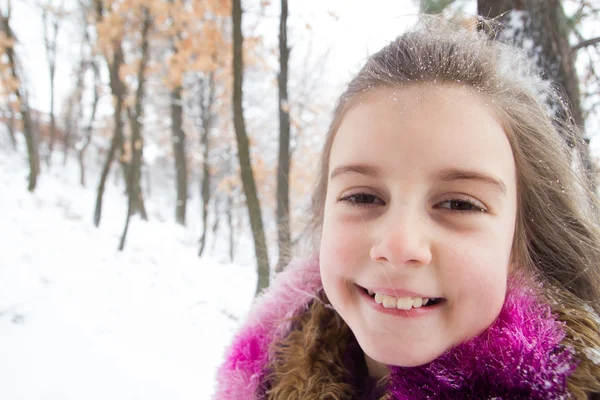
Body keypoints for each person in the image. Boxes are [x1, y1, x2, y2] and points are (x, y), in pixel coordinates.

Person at [214, 17, 600, 399]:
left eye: (458, 203)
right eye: (363, 197)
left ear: (523, 237)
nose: (398, 246)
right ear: (323, 215)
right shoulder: (261, 381)